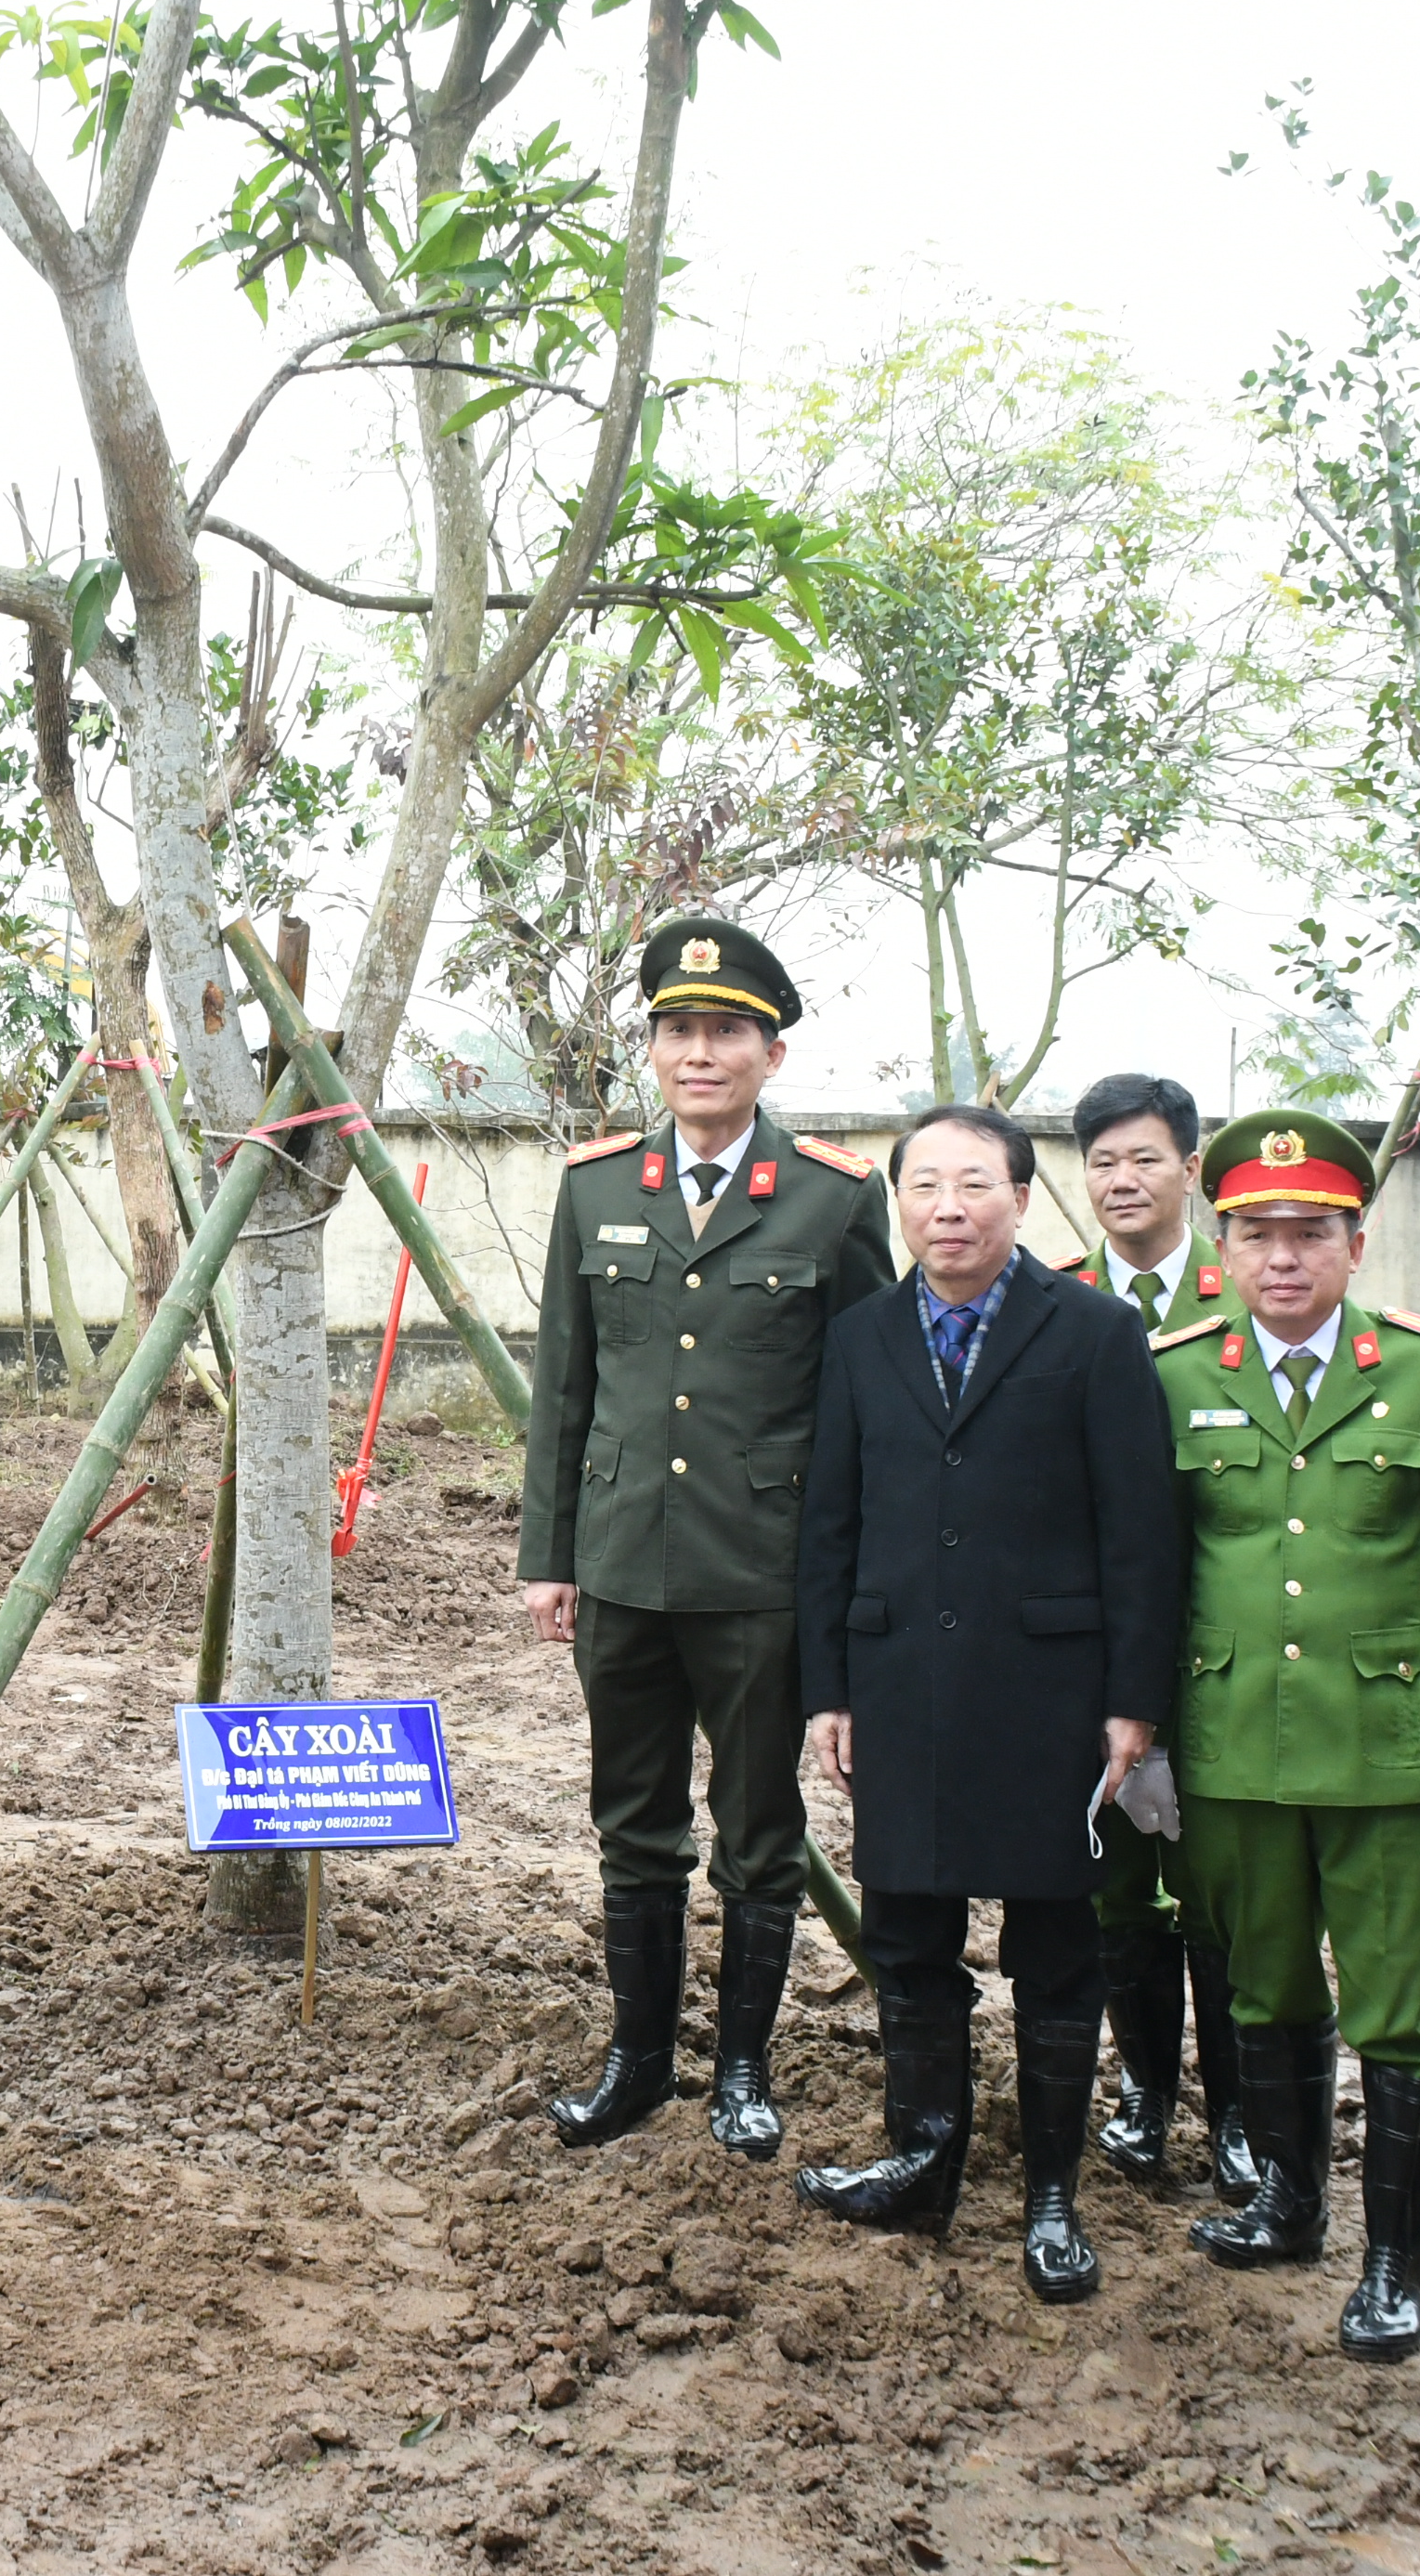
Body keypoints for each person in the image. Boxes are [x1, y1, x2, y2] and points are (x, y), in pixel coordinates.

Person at [789, 1102, 1181, 2301]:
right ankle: (923, 2158)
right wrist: (829, 1687)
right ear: (898, 1201)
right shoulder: (862, 1336)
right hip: (899, 1683)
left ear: (1020, 1196)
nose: (948, 1209)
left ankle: (1052, 2195)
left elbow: (1141, 1532)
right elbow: (831, 1522)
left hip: (1049, 1695)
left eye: (975, 1185)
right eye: (925, 1186)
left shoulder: (1095, 1332)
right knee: (908, 1938)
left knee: (1058, 1949)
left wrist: (1134, 1700)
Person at [517, 917, 893, 2156]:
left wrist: (848, 1579)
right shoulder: (594, 1187)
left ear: (769, 1055)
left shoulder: (835, 1199)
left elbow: (866, 1406)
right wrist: (550, 1555)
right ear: (653, 1050)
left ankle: (741, 2070)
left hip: (761, 1574)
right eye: (678, 1030)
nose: (698, 1053)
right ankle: (636, 2062)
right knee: (633, 1823)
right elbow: (566, 1387)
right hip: (623, 1564)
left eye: (726, 1032)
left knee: (759, 1831)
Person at [1153, 1108, 1420, 2361]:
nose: (1284, 1258)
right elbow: (1157, 1572)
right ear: (1225, 1248)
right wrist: (1149, 1735)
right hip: (1234, 1742)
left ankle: (1396, 2264)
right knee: (1265, 1984)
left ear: (1357, 1246)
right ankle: (1290, 2204)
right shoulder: (1177, 1373)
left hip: (1387, 1748)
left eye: (1311, 1234)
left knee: (1398, 2006)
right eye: (1258, 1235)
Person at [1057, 1069, 1255, 2203]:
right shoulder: (1055, 1300)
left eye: (1144, 1158)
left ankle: (1239, 2115)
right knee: (1117, 1888)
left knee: (1225, 1890)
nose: (1122, 1180)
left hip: (1229, 1647)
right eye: (1102, 1162)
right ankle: (1142, 2092)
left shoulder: (1257, 1290)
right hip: (1096, 1655)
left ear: (1192, 1167)